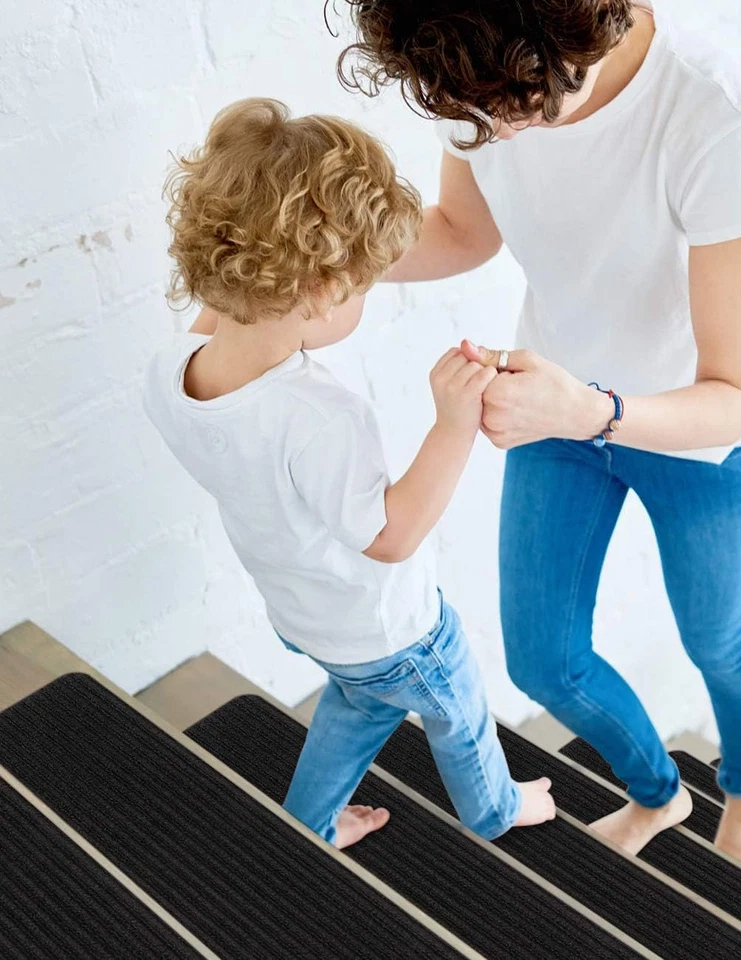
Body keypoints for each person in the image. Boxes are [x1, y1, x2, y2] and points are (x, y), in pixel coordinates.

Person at [336, 0, 741, 867]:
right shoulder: (477, 72)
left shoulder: (707, 110)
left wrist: (596, 410)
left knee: (716, 638)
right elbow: (465, 229)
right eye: (475, 115)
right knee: (543, 659)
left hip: (695, 436)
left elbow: (733, 393)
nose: (494, 131)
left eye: (517, 106)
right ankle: (660, 795)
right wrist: (325, 256)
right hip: (553, 404)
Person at [144, 98, 555, 848]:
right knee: (456, 707)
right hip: (395, 629)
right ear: (322, 293)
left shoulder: (173, 365)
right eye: (364, 281)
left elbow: (221, 300)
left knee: (359, 703)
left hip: (308, 616)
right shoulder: (316, 415)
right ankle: (495, 808)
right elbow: (390, 536)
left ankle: (310, 822)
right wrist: (452, 425)